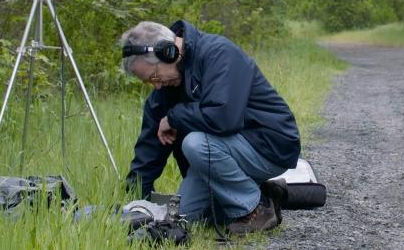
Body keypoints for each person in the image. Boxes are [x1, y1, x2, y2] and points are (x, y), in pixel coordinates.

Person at [121, 20, 300, 234]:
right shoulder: (164, 91)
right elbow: (149, 148)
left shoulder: (219, 53)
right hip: (225, 151)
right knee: (185, 217)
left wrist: (174, 118)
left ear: (168, 52)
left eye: (155, 77)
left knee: (195, 143)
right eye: (150, 82)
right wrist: (132, 201)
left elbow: (224, 118)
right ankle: (267, 194)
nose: (157, 85)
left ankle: (255, 208)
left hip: (271, 144)